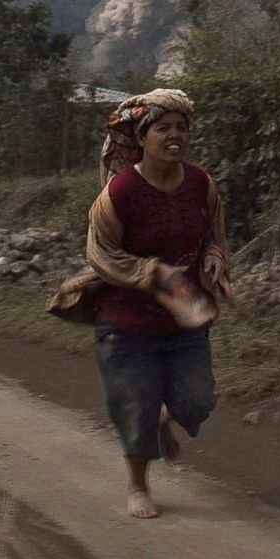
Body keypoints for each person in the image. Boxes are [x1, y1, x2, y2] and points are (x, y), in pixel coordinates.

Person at [47, 88, 233, 519]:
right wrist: (153, 274)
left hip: (184, 321)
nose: (174, 135)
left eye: (181, 128)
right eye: (163, 128)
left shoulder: (202, 184)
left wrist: (213, 257)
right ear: (142, 138)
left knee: (199, 399)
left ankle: (163, 416)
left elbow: (216, 235)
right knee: (135, 406)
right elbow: (100, 254)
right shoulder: (119, 192)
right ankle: (138, 486)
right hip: (125, 323)